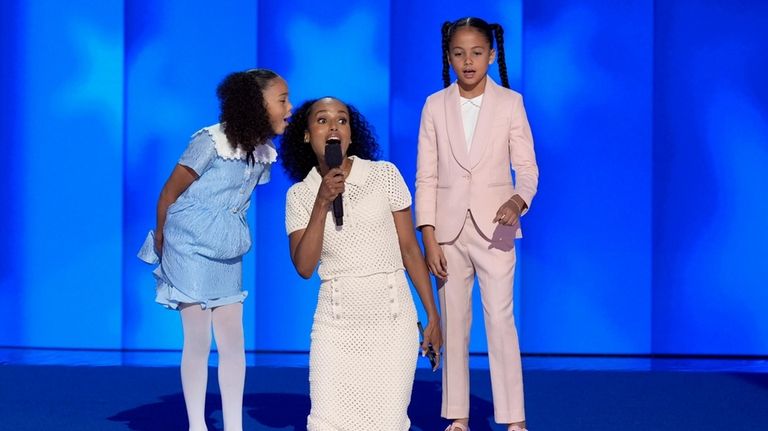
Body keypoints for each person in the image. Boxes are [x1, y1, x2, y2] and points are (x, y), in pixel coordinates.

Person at [138, 69, 292, 431]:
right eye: (282, 99)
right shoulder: (211, 141)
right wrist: (163, 241)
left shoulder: (261, 152)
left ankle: (234, 425)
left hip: (226, 245)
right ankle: (197, 425)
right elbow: (168, 193)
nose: (289, 106)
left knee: (232, 338)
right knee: (197, 337)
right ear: (256, 105)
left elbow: (237, 202)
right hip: (188, 243)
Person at [280, 97, 443, 430]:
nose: (333, 127)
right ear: (307, 135)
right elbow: (304, 267)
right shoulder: (299, 195)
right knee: (326, 422)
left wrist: (433, 315)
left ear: (351, 135)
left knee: (386, 422)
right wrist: (322, 202)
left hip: (392, 321)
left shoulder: (383, 175)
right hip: (336, 325)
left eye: (342, 120)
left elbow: (410, 250)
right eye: (322, 120)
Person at [415, 17, 539, 431]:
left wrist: (519, 199)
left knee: (501, 320)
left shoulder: (511, 102)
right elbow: (426, 175)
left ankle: (514, 419)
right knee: (454, 323)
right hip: (448, 233)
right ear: (448, 57)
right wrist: (428, 236)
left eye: (476, 52)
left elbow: (527, 167)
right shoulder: (435, 104)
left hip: (497, 228)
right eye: (459, 53)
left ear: (492, 54)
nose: (468, 61)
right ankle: (458, 417)